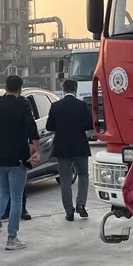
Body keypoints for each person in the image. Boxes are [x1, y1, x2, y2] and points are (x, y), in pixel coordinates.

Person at [0, 75, 40, 250]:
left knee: (3, 193)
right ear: (20, 88)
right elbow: (32, 128)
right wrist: (37, 150)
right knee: (16, 198)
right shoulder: (22, 105)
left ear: (5, 86)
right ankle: (12, 238)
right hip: (17, 157)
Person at [47, 78, 94, 221]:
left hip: (62, 147)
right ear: (76, 89)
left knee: (65, 179)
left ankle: (69, 211)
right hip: (80, 145)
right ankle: (81, 205)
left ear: (63, 89)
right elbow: (89, 124)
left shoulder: (55, 106)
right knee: (83, 174)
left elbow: (49, 126)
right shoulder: (82, 105)